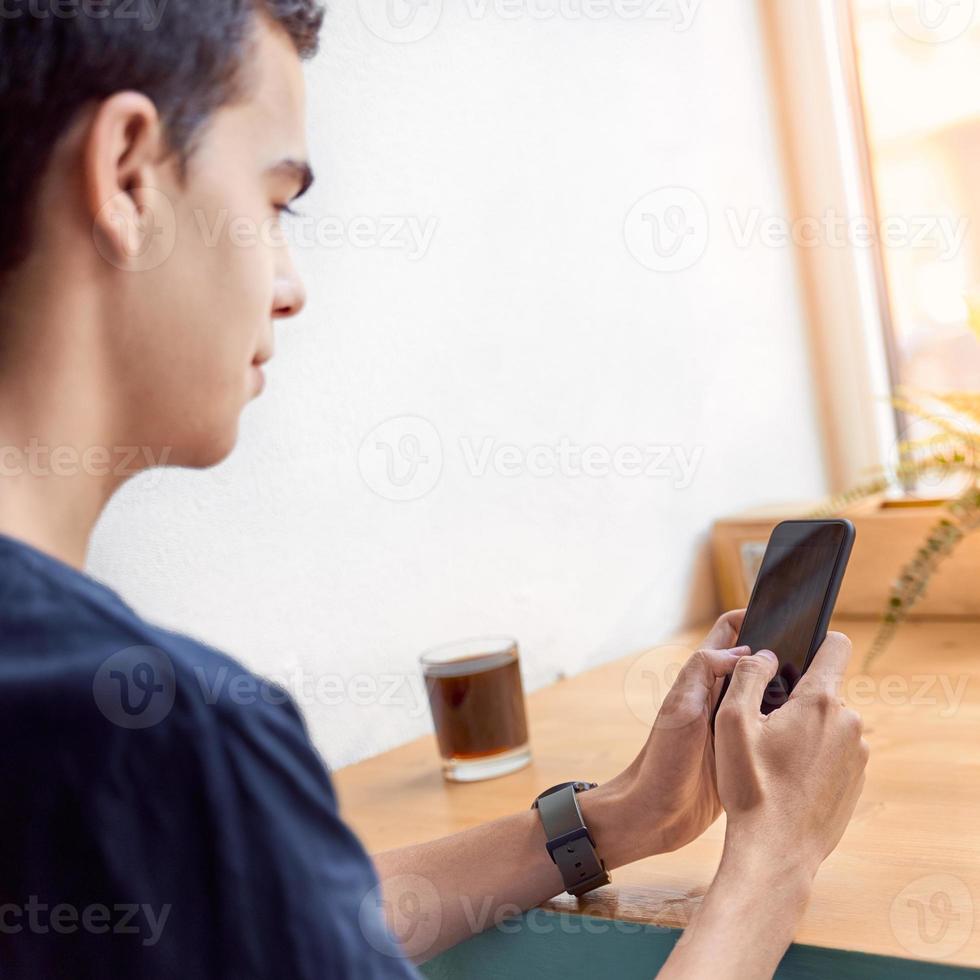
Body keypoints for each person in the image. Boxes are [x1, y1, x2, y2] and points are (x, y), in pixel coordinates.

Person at [0, 2, 869, 977]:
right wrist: (774, 859)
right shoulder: (155, 740)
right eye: (275, 203)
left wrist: (619, 817)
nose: (290, 285)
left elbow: (264, 918)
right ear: (125, 175)